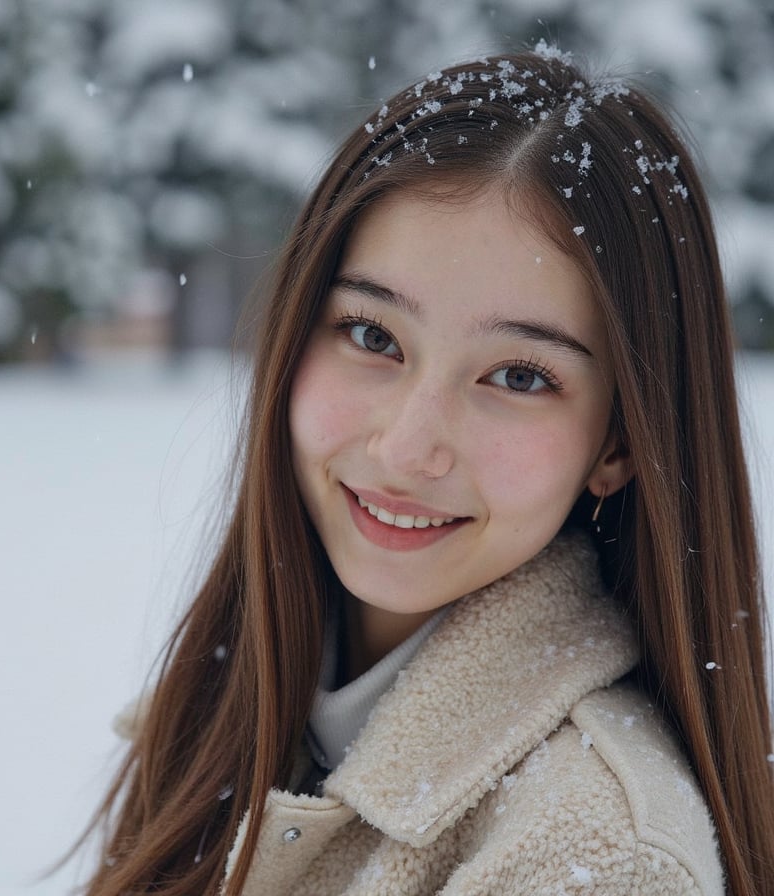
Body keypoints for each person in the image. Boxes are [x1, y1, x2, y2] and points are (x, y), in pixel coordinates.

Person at [76, 45, 774, 895]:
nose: (407, 449)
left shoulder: (596, 859)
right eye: (373, 336)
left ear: (619, 442)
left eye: (519, 376)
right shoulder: (235, 708)